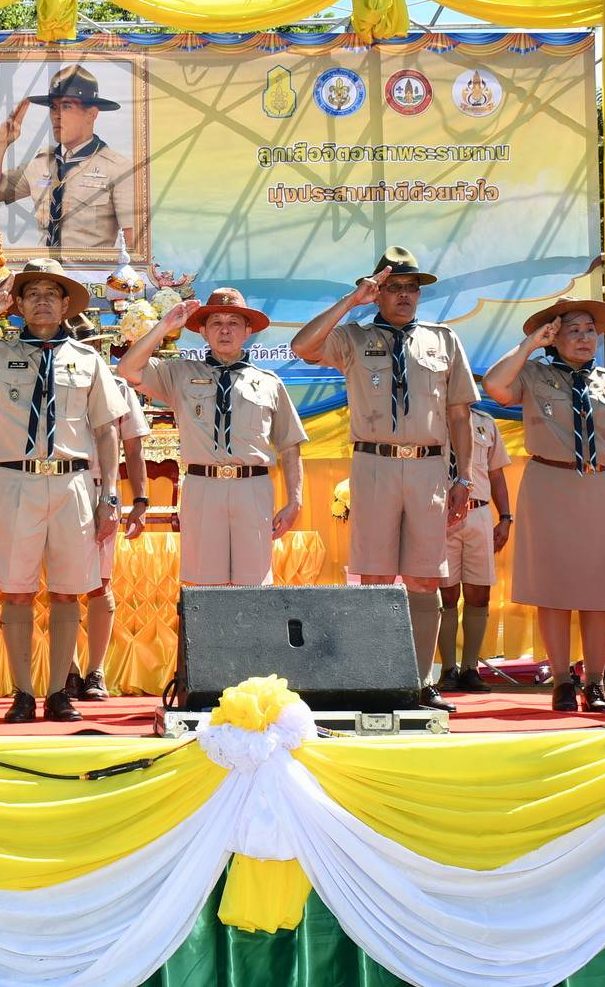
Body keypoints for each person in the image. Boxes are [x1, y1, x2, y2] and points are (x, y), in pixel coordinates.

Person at [0, 257, 125, 722]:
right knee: (16, 591)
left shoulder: (88, 360)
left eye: (51, 293)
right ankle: (23, 693)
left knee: (67, 591)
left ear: (65, 305)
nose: (42, 301)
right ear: (18, 304)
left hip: (74, 482)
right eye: (31, 293)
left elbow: (107, 430)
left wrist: (111, 496)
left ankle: (60, 691)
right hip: (16, 481)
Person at [291, 247, 474, 712]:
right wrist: (351, 303)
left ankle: (418, 682)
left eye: (412, 288)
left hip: (430, 467)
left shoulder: (443, 340)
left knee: (424, 578)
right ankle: (373, 677)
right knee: (374, 576)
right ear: (377, 294)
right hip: (374, 463)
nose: (405, 296)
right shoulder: (353, 337)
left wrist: (464, 479)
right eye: (394, 288)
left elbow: (458, 415)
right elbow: (303, 347)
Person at [483, 297, 605, 714]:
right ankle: (561, 679)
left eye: (590, 330)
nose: (583, 337)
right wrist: (528, 345)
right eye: (572, 330)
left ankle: (595, 682)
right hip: (549, 485)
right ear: (553, 337)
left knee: (600, 590)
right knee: (554, 588)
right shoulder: (534, 374)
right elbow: (494, 387)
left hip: (603, 486)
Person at [119, 287, 306, 588]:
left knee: (253, 586)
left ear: (248, 331)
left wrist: (295, 501)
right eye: (216, 323)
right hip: (202, 487)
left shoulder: (269, 383)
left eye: (234, 322)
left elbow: (290, 445)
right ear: (203, 331)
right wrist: (164, 326)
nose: (225, 330)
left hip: (252, 487)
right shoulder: (178, 374)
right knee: (205, 587)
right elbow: (128, 368)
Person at [59, 309, 150, 701]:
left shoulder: (118, 386)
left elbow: (133, 446)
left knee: (100, 584)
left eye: (91, 343)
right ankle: (68, 670)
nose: (86, 349)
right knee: (62, 588)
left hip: (100, 490)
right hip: (61, 486)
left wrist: (140, 498)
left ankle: (96, 671)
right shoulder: (52, 382)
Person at [0, 65, 138, 250]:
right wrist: (0, 144)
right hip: (44, 274)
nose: (57, 115)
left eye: (66, 106)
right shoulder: (41, 163)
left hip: (90, 276)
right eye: (53, 107)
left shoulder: (118, 169)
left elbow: (134, 243)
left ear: (91, 114)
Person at [438, 404, 510, 693]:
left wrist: (506, 517)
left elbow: (496, 475)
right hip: (439, 515)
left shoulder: (485, 423)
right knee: (445, 592)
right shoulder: (425, 418)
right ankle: (447, 670)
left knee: (479, 592)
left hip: (479, 512)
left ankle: (471, 668)